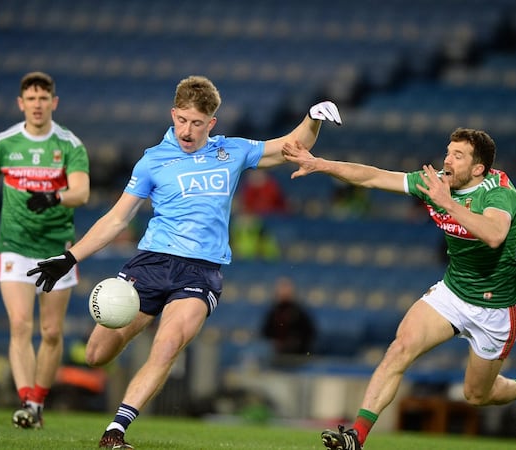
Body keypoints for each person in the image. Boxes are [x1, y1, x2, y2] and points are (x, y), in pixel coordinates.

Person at [26, 75, 341, 449]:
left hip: (200, 272)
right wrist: (70, 256)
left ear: (212, 123)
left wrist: (313, 118)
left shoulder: (231, 151)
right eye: (182, 120)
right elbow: (116, 219)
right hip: (151, 263)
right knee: (96, 354)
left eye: (197, 123)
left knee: (168, 342)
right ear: (173, 114)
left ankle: (116, 431)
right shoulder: (152, 161)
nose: (187, 131)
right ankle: (130, 331)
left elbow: (291, 146)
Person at [281, 128, 516, 450]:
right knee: (399, 349)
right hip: (454, 292)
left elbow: (493, 234)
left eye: (458, 156)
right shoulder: (436, 183)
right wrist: (321, 164)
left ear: (479, 169)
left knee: (477, 395)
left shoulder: (499, 191)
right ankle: (356, 437)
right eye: (448, 151)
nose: (447, 160)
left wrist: (446, 202)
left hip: (496, 307)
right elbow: (373, 177)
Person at [0, 71, 90, 429]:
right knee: (20, 325)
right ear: (21, 104)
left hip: (56, 249)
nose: (37, 105)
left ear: (54, 102)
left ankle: (37, 403)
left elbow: (81, 192)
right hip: (15, 246)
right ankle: (26, 403)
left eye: (43, 98)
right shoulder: (4, 143)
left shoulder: (69, 145)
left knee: (51, 332)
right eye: (31, 99)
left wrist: (54, 195)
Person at [261, 276, 316, 360]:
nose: (284, 292)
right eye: (281, 288)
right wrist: (275, 343)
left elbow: (309, 333)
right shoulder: (273, 312)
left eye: (286, 288)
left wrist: (294, 342)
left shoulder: (299, 312)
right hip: (276, 353)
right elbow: (265, 332)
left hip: (297, 354)